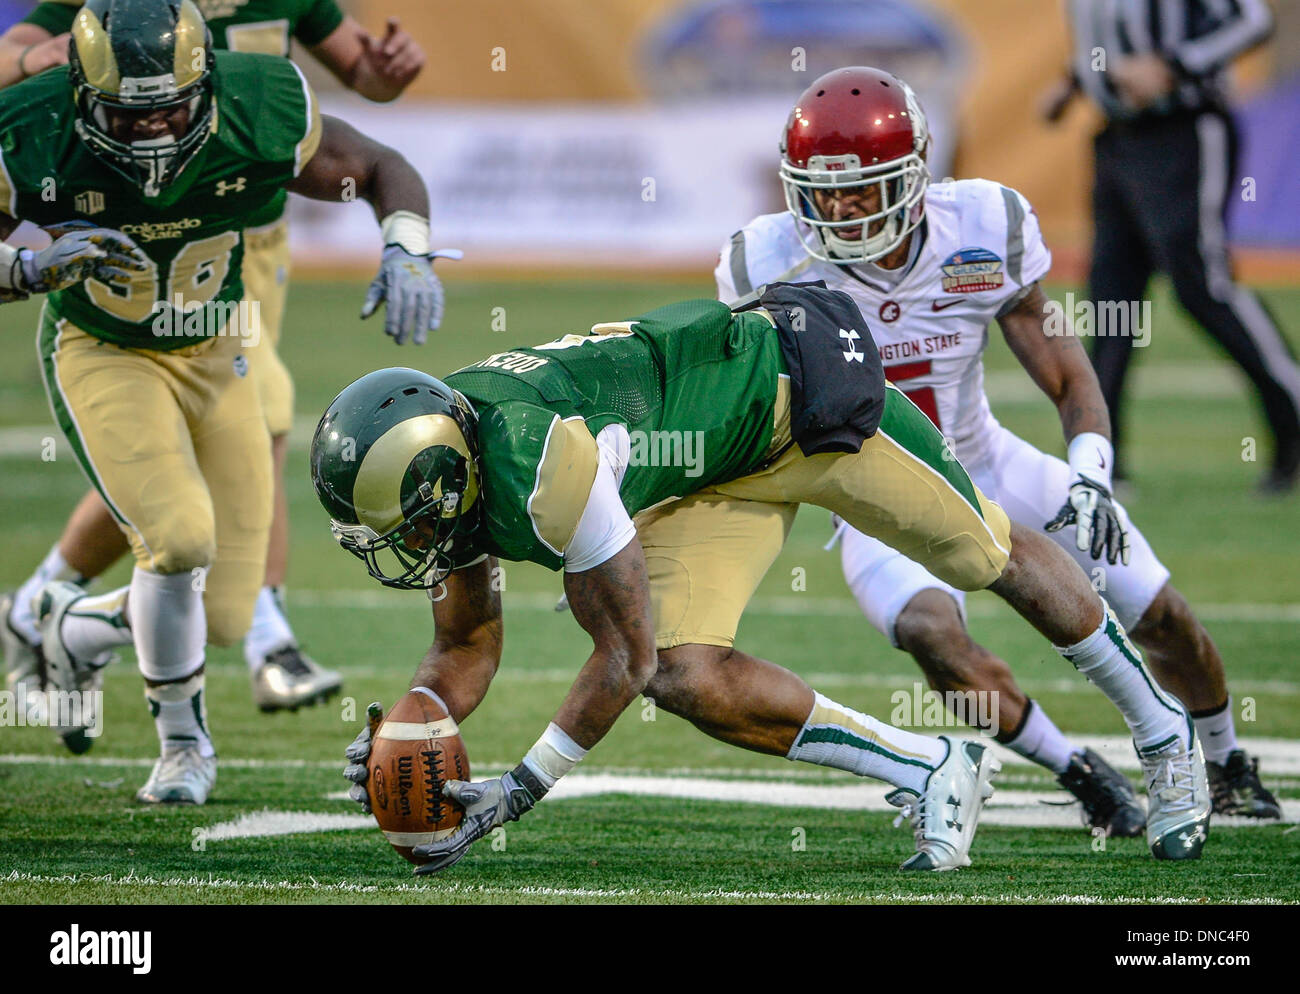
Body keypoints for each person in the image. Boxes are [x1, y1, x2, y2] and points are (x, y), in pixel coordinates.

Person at [312, 283, 1211, 875]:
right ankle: (934, 765)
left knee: (984, 552)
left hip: (798, 406)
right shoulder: (466, 459)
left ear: (446, 478)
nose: (403, 545)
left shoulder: (541, 469)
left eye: (405, 522)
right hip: (705, 467)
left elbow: (615, 657)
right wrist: (414, 718)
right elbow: (465, 641)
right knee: (686, 669)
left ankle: (1162, 731)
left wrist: (523, 785)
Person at [716, 67, 1279, 822]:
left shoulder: (981, 228)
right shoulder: (767, 263)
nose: (841, 210)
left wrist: (1090, 476)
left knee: (1161, 614)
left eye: (863, 188)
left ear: (916, 179)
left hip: (990, 464)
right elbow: (733, 413)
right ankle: (1076, 769)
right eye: (823, 191)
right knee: (928, 632)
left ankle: (1226, 760)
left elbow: (1066, 371)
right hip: (876, 498)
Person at [0, 0, 448, 801]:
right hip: (110, 349)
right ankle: (183, 744)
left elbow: (379, 164)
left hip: (222, 346)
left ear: (205, 85)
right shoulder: (32, 126)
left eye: (170, 109)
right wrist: (24, 271)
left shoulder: (259, 101)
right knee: (178, 541)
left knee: (232, 616)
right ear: (81, 91)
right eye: (129, 116)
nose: (154, 134)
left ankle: (62, 624)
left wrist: (407, 246)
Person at [1042, 0, 1299, 494]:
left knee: (1202, 287)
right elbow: (1112, 43)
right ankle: (1101, 461)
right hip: (1117, 140)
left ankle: (1292, 417)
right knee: (1112, 302)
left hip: (1184, 130)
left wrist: (1174, 66)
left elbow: (1254, 20)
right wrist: (1075, 79)